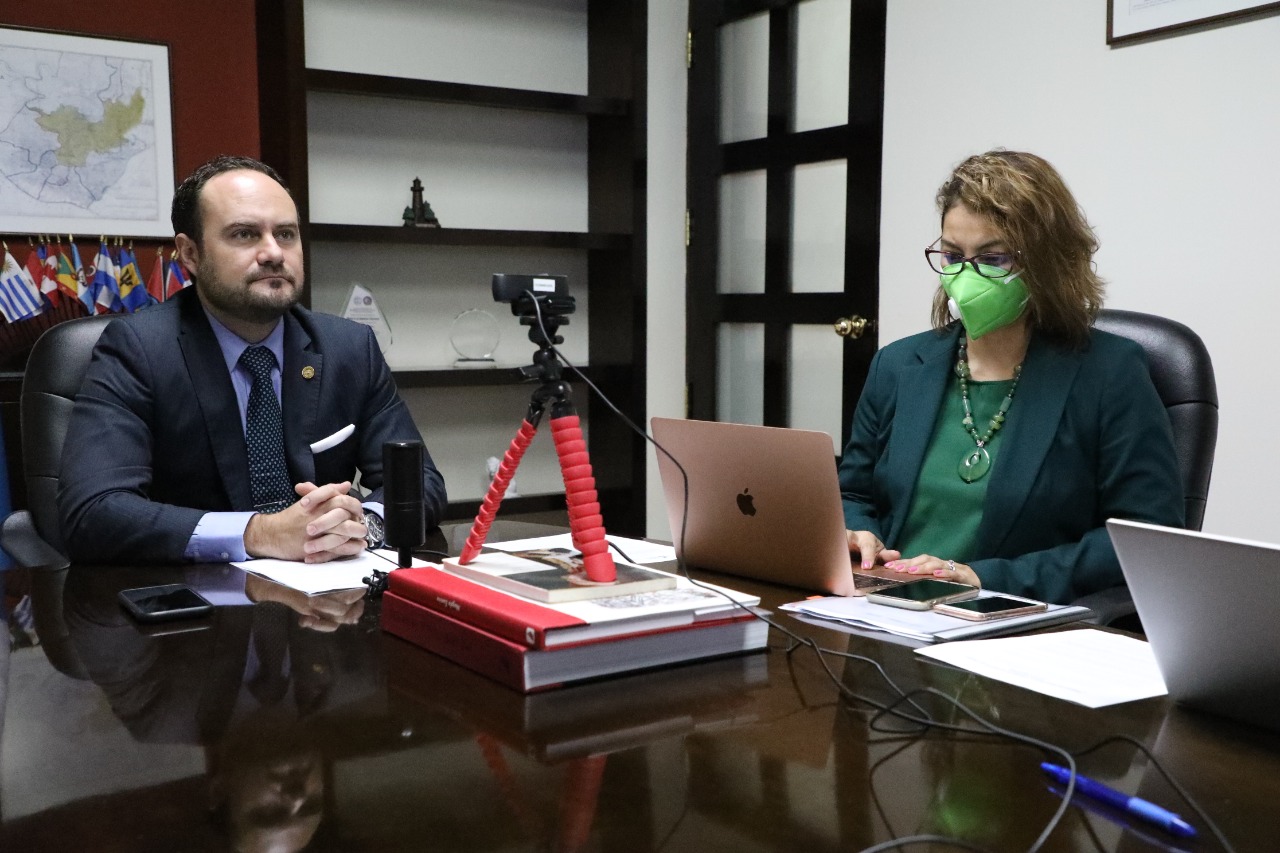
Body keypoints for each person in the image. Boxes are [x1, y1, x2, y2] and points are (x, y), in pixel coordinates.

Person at [58, 155, 446, 565]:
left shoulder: (349, 347)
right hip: (196, 594)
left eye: (286, 234)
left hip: (329, 588)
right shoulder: (139, 349)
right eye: (245, 234)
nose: (273, 253)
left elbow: (421, 483)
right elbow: (93, 512)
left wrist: (361, 525)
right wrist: (260, 533)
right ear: (190, 253)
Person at [839, 150, 1183, 604]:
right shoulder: (898, 365)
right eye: (952, 255)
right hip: (885, 606)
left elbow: (1147, 535)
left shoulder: (1110, 374)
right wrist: (858, 532)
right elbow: (853, 493)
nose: (966, 276)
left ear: (1046, 262)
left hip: (1012, 618)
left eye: (992, 257)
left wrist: (986, 578)